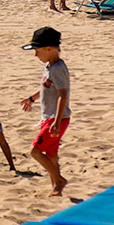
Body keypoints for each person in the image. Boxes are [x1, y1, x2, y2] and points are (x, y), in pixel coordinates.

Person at [20, 26, 71, 196]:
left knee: (35, 151)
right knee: (51, 155)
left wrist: (56, 122)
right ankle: (56, 188)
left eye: (37, 51)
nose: (35, 55)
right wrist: (32, 98)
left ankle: (59, 180)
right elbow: (45, 88)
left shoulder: (57, 69)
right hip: (49, 117)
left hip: (55, 118)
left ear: (49, 49)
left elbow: (62, 96)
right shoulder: (49, 66)